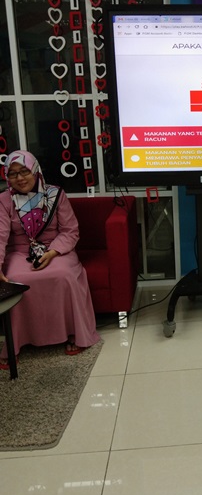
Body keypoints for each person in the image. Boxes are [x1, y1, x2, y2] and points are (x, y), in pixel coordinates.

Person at [0, 150, 100, 369]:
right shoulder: (4, 200)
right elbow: (0, 235)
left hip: (57, 249)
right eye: (13, 174)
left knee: (64, 275)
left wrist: (53, 252)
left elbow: (70, 231)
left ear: (35, 170)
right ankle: (16, 342)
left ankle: (74, 333)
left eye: (24, 171)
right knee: (14, 279)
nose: (20, 178)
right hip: (20, 252)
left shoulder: (55, 194)